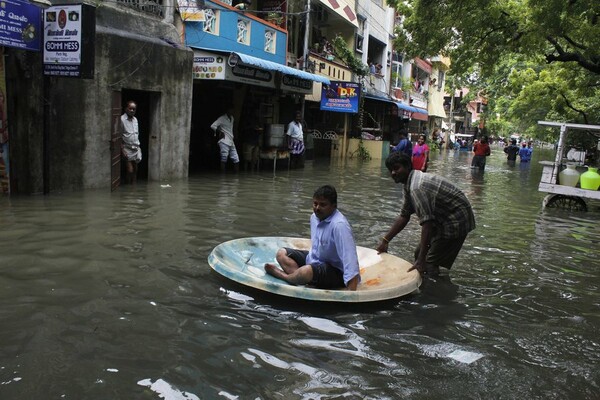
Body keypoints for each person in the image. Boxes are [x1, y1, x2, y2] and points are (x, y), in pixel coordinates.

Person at [377, 152, 476, 276]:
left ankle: (435, 290)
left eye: (396, 168)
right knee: (419, 254)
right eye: (390, 170)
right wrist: (386, 240)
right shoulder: (409, 184)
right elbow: (404, 215)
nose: (393, 173)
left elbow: (427, 224)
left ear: (408, 166)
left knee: (428, 263)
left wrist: (422, 260)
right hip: (443, 217)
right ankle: (428, 274)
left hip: (456, 220)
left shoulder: (417, 187)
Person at [264, 185, 361, 290]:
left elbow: (350, 258)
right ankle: (301, 279)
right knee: (281, 254)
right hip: (315, 261)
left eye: (323, 205)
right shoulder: (314, 218)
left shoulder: (339, 225)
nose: (317, 208)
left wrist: (351, 291)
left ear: (334, 206)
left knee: (306, 271)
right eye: (315, 204)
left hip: (335, 271)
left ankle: (285, 277)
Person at [119, 101, 142, 185]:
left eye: (134, 109)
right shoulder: (121, 120)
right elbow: (119, 136)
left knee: (135, 170)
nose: (132, 110)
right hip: (127, 148)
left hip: (136, 148)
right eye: (130, 108)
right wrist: (122, 150)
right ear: (126, 109)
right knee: (130, 170)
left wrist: (139, 147)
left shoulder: (135, 119)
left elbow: (136, 134)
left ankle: (133, 186)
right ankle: (128, 185)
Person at [211, 105, 240, 172]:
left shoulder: (232, 118)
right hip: (224, 141)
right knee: (224, 159)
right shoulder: (222, 118)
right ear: (227, 110)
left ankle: (236, 175)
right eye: (231, 110)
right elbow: (213, 125)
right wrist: (220, 131)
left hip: (231, 140)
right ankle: (222, 176)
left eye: (233, 110)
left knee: (236, 159)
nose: (232, 111)